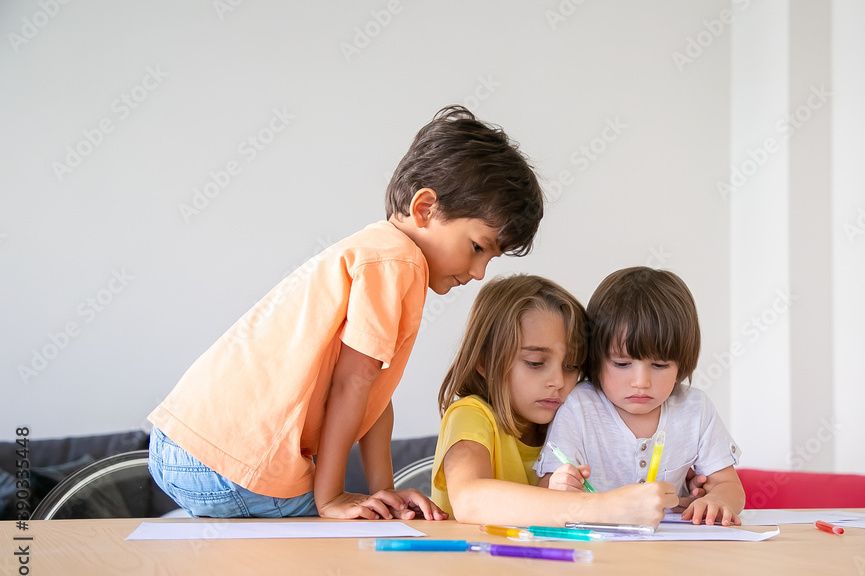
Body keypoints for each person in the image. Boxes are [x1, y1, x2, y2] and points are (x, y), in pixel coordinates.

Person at [146, 105, 544, 520]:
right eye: (478, 247)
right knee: (357, 525)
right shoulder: (398, 263)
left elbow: (373, 398)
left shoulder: (379, 252)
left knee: (377, 512)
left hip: (185, 444)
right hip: (222, 461)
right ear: (425, 209)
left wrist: (382, 491)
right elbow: (354, 382)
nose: (479, 273)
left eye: (491, 259)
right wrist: (332, 497)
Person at [431, 274, 679, 527]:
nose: (559, 381)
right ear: (484, 361)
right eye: (535, 363)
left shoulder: (569, 421)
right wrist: (606, 507)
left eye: (571, 365)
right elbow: (470, 500)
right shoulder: (471, 415)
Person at [534, 266, 745, 526]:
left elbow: (729, 485)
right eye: (622, 364)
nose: (641, 382)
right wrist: (558, 488)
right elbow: (547, 490)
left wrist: (717, 501)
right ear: (596, 358)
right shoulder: (579, 407)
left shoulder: (695, 409)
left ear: (682, 362)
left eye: (659, 365)